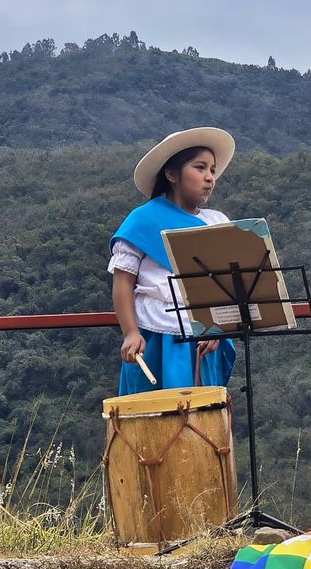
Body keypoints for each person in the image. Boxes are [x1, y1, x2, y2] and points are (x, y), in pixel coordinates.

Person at [109, 127, 236, 395]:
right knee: (155, 414)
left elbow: (228, 286)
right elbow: (123, 282)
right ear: (171, 174)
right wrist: (130, 333)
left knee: (200, 415)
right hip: (155, 337)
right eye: (200, 168)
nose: (210, 177)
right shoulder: (142, 220)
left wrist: (219, 330)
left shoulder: (217, 222)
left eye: (213, 170)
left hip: (203, 340)